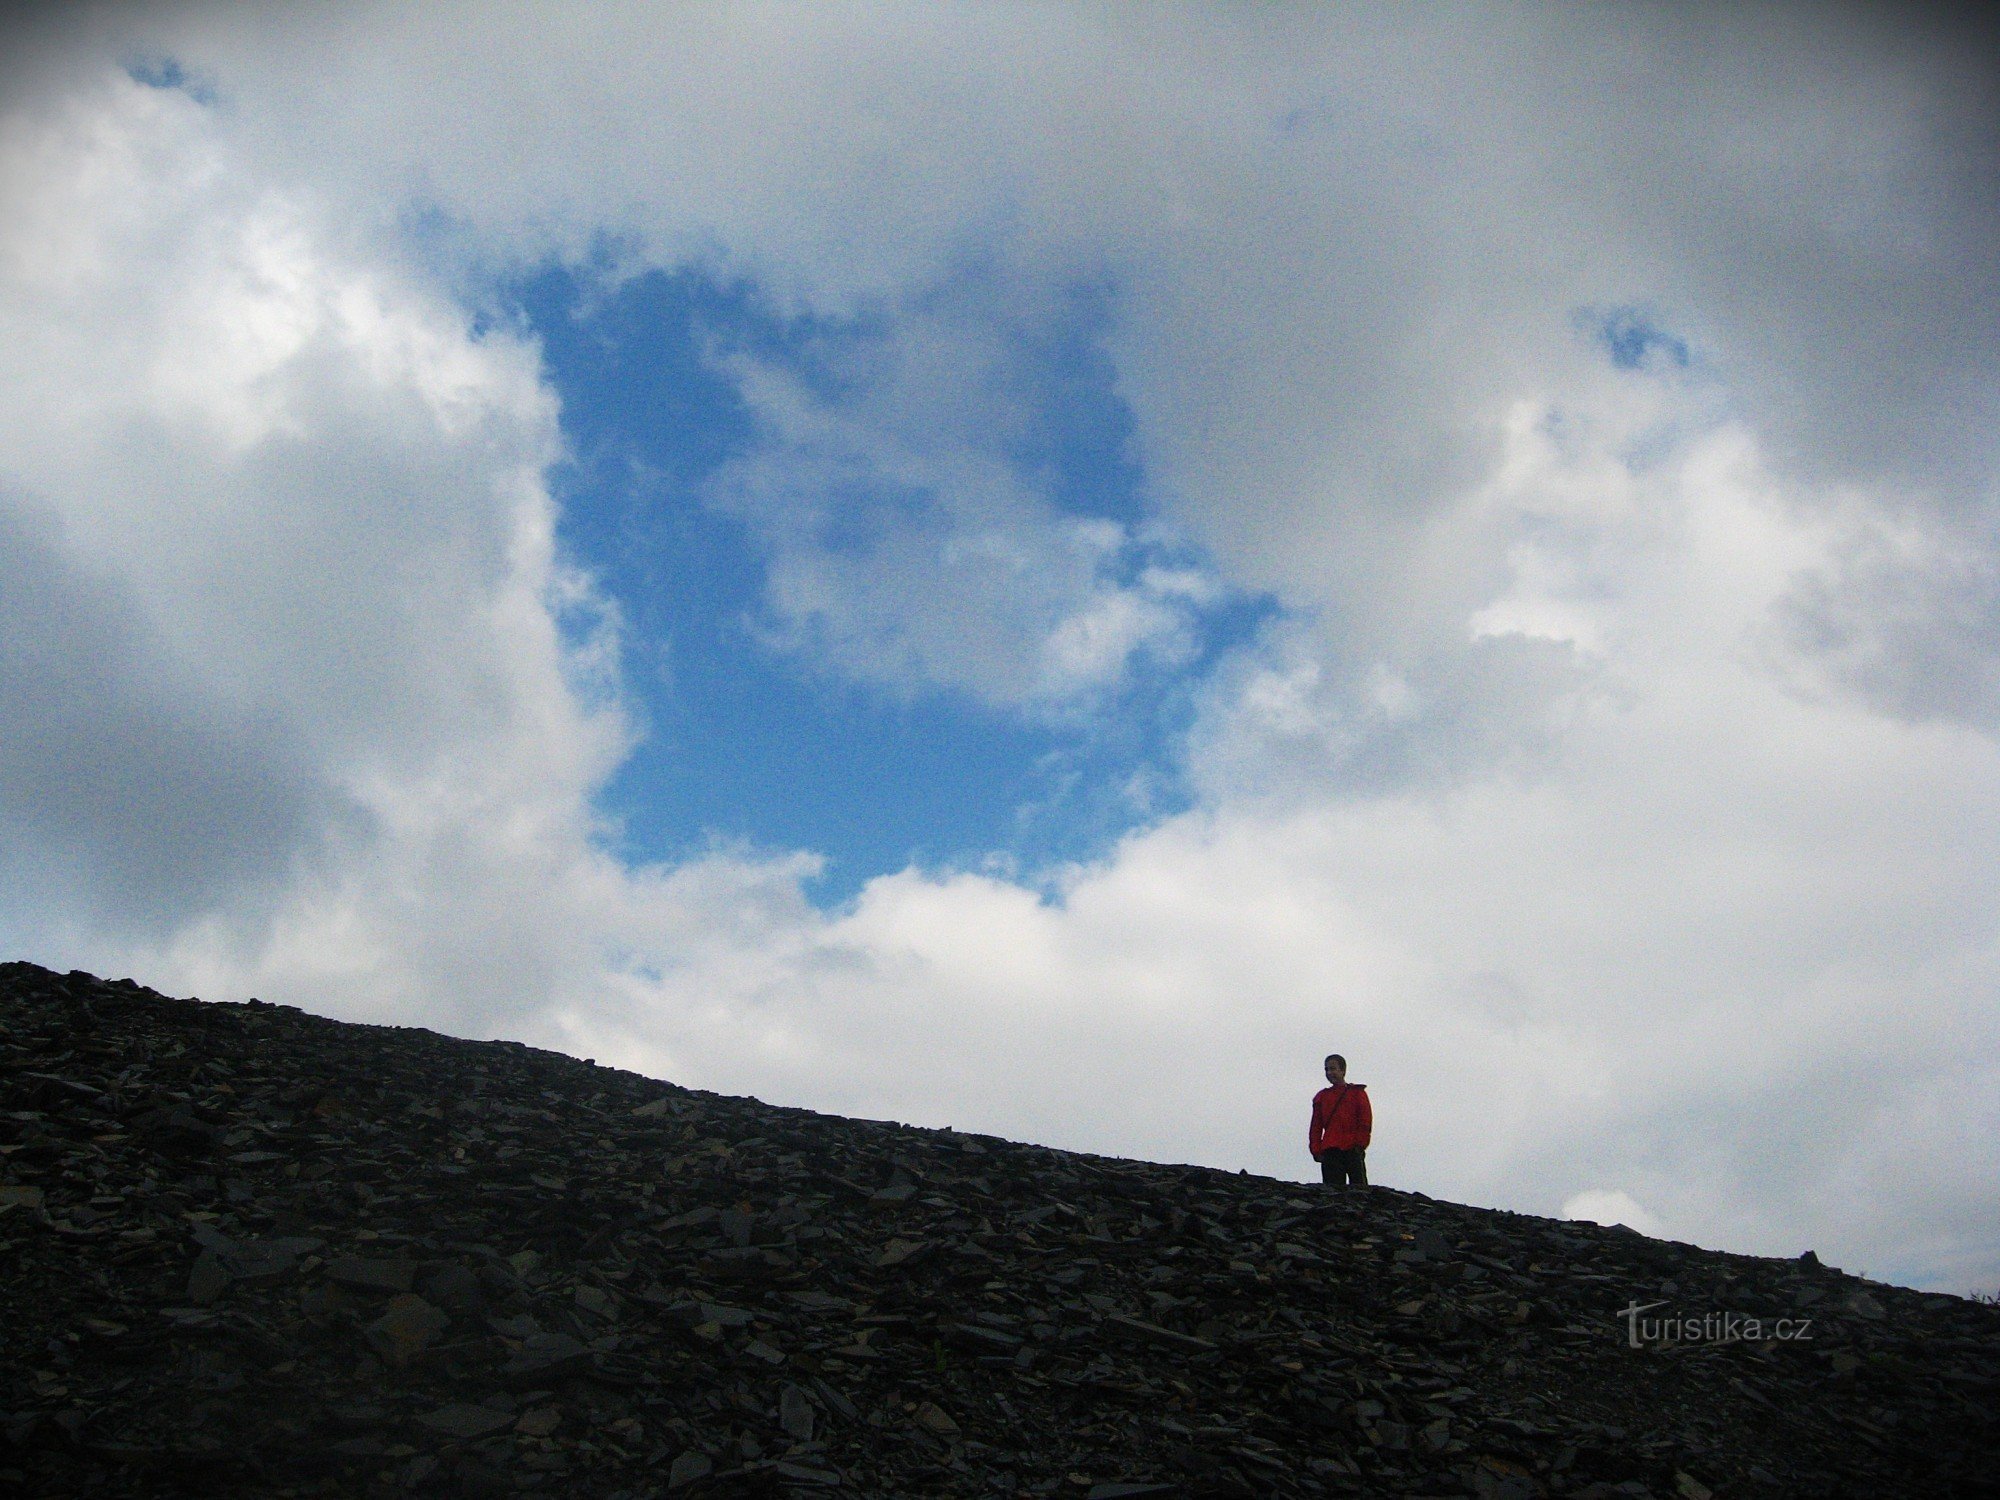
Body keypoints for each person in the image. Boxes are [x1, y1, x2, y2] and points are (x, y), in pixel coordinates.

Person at [1308, 1053, 1371, 1187]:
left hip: (1352, 1147)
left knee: (1359, 1190)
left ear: (1343, 1070)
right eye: (1327, 1069)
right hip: (1331, 1149)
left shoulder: (1357, 1093)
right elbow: (1316, 1127)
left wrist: (1360, 1144)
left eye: (1333, 1068)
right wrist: (1316, 1149)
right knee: (1334, 1192)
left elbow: (1365, 1121)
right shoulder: (1321, 1097)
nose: (1329, 1072)